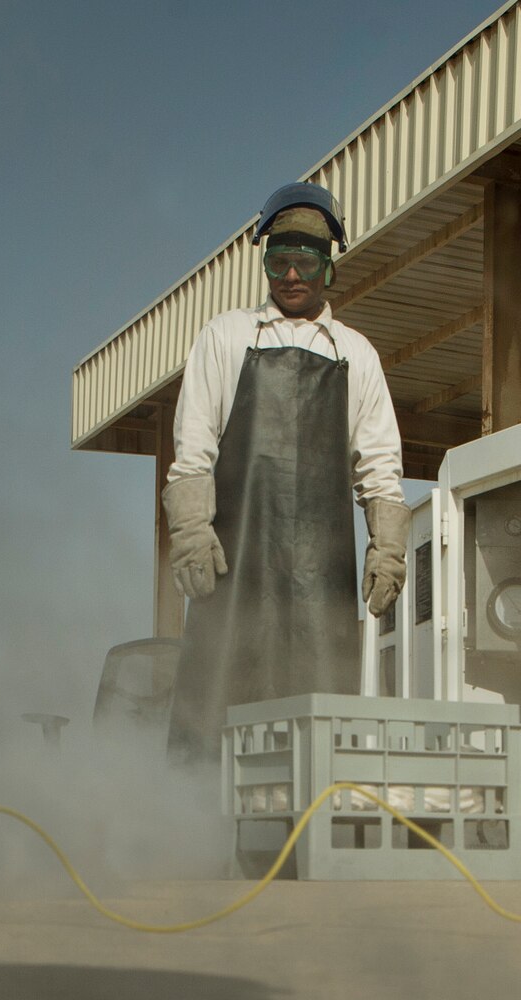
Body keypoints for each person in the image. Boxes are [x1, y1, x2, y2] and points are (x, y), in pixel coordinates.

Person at [161, 181, 408, 764]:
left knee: (316, 732)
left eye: (306, 262)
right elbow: (192, 444)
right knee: (215, 717)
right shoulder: (224, 336)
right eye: (279, 261)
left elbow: (379, 464)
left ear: (329, 267)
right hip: (236, 566)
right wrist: (192, 529)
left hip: (321, 580)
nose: (291, 275)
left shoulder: (357, 354)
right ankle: (196, 842)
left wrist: (388, 547)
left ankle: (308, 846)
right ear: (266, 263)